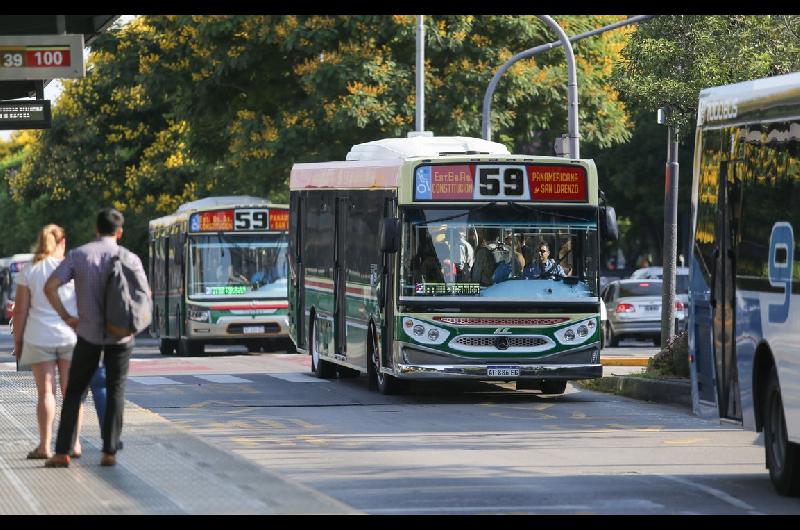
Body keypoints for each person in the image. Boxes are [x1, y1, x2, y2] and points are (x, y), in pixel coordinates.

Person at [44, 208, 147, 468]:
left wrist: (67, 316)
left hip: (87, 334)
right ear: (120, 232)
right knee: (116, 390)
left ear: (96, 229)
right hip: (120, 337)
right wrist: (133, 326)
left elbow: (50, 287)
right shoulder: (130, 258)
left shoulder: (79, 255)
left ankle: (62, 452)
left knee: (74, 391)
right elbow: (144, 297)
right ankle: (109, 451)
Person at [12, 224, 86, 460]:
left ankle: (45, 446)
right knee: (71, 392)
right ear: (62, 242)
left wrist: (19, 342)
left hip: (38, 336)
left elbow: (20, 311)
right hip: (70, 336)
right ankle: (74, 443)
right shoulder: (72, 268)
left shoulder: (30, 270)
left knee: (46, 392)